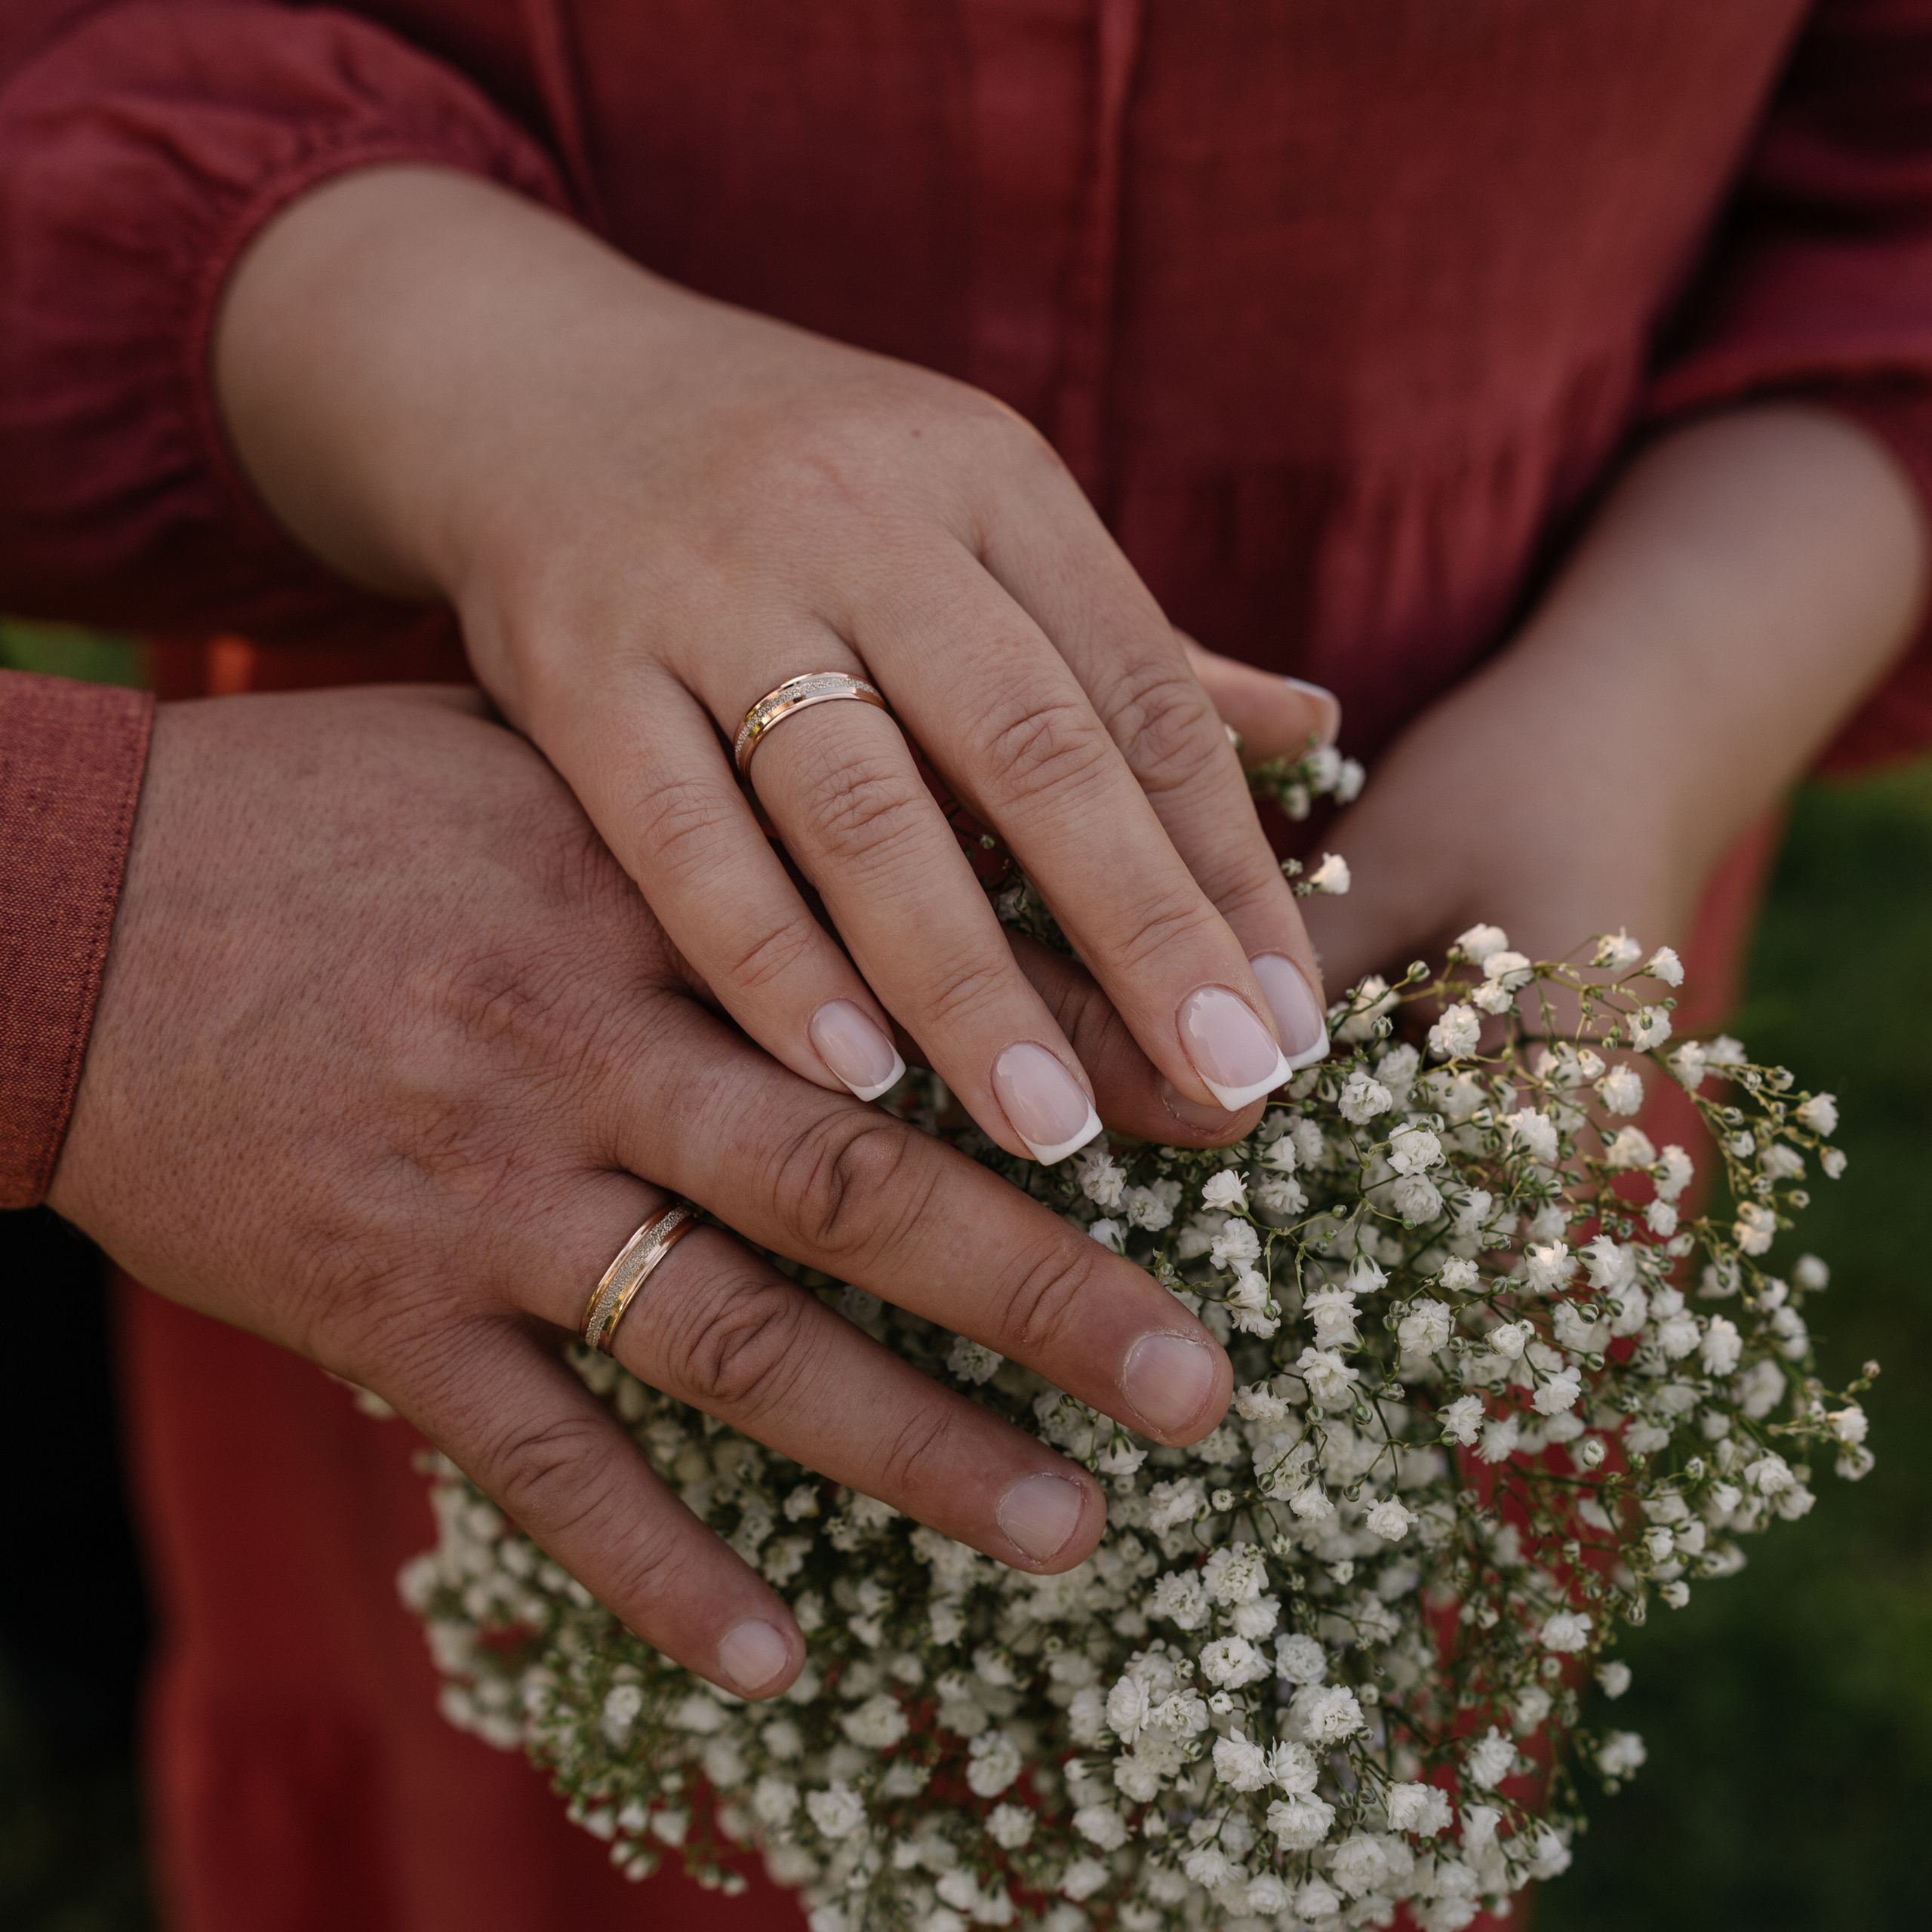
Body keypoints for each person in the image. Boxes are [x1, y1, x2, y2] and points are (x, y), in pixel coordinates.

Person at [3, 4, 1930, 1927]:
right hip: (454, 969)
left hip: (1447, 911)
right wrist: (89, 911)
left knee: (1305, 1752)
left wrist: (1644, 714)